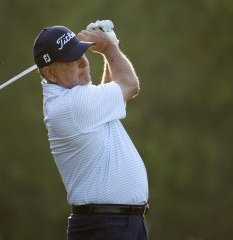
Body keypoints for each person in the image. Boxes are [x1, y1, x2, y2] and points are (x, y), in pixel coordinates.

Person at [33, 20, 149, 240]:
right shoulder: (72, 105)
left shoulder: (72, 100)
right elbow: (129, 85)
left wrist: (109, 51)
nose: (83, 62)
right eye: (71, 60)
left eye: (81, 53)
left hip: (117, 223)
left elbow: (109, 98)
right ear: (50, 74)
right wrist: (109, 48)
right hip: (105, 226)